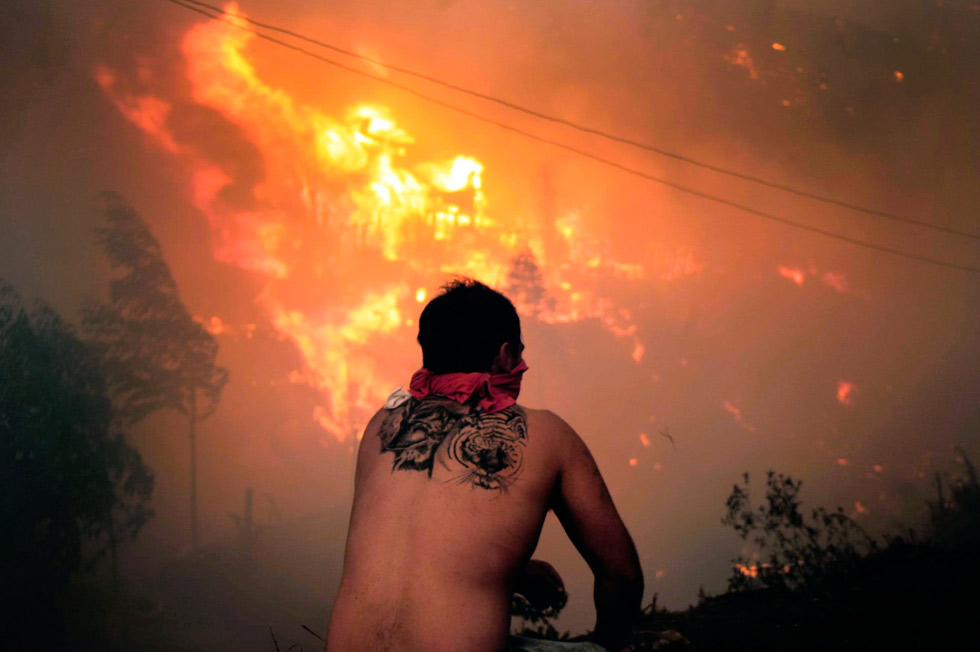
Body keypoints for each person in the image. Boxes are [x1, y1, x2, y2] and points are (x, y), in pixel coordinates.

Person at [326, 279, 643, 652]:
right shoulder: (549, 434)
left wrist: (518, 573)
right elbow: (620, 575)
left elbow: (420, 536)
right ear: (505, 354)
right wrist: (607, 646)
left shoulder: (382, 424)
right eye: (520, 354)